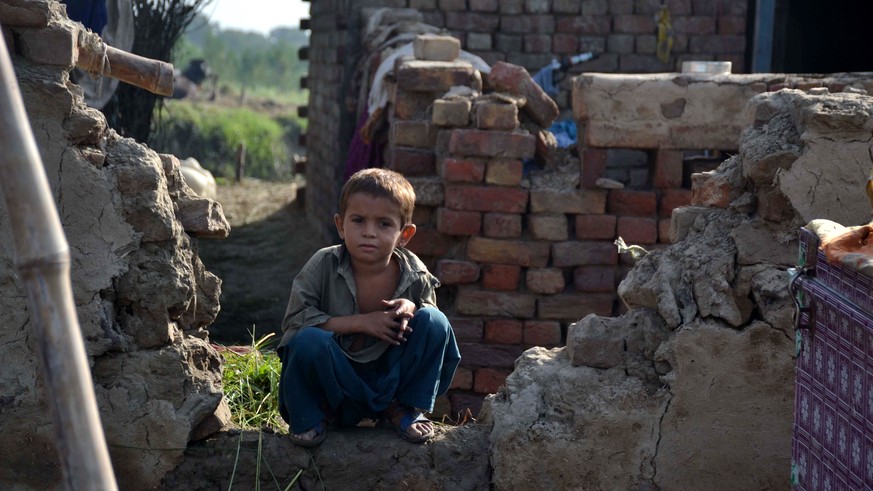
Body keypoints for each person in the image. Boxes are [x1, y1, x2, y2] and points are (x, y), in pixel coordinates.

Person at [277, 168, 460, 446]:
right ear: (341, 225)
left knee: (436, 322)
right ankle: (317, 413)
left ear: (405, 234)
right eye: (358, 221)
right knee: (307, 341)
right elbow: (295, 322)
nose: (369, 233)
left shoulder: (415, 273)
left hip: (390, 379)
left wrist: (411, 306)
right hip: (335, 379)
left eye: (384, 224)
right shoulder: (323, 264)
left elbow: (432, 333)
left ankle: (403, 408)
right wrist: (362, 322)